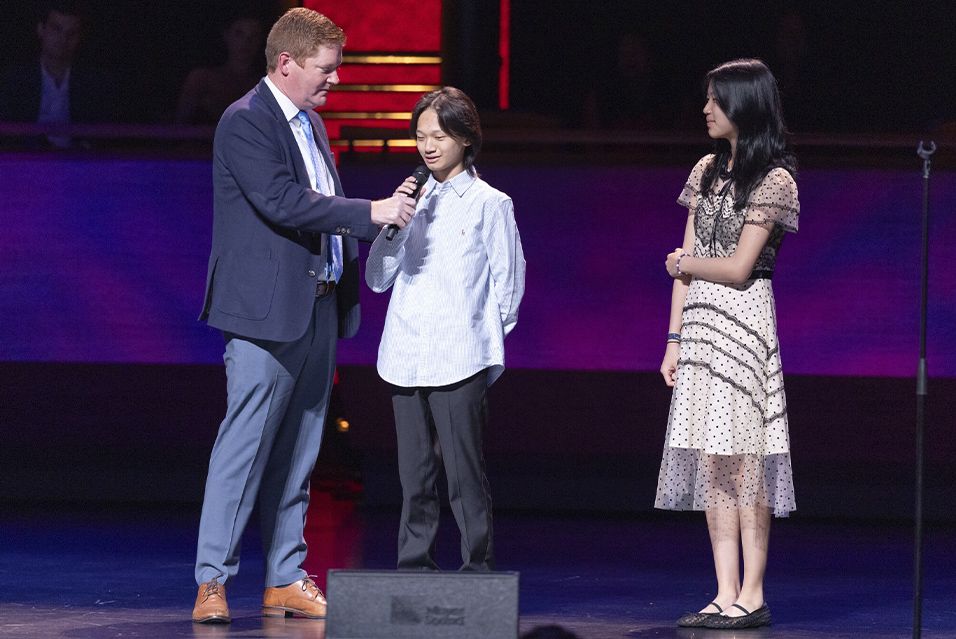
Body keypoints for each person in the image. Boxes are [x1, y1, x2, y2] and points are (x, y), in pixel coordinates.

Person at [191, 7, 415, 624]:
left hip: (316, 307)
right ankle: (213, 578)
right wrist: (369, 213)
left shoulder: (310, 124)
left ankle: (285, 575)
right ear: (285, 63)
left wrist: (374, 230)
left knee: (301, 450)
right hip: (265, 314)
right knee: (245, 447)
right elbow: (282, 201)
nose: (335, 80)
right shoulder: (245, 122)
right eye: (325, 69)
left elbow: (317, 204)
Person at [654, 58, 799, 630]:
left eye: (716, 100)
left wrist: (684, 263)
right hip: (700, 327)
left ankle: (753, 592)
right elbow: (683, 272)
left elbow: (738, 268)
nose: (706, 109)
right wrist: (672, 338)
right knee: (714, 460)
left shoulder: (775, 179)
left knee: (748, 463)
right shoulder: (706, 170)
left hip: (743, 322)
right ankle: (723, 590)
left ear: (744, 105)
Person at [365, 87, 525, 572]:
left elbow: (509, 286)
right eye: (420, 136)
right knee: (414, 475)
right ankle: (414, 567)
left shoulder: (489, 203)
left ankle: (477, 570)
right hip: (405, 353)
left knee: (463, 474)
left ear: (465, 138)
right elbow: (377, 279)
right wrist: (394, 222)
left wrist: (479, 342)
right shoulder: (408, 200)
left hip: (461, 356)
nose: (428, 146)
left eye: (439, 135)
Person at [0, 1, 118, 147]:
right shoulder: (15, 81)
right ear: (41, 29)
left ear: (79, 37)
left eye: (71, 33)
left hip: (78, 165)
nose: (63, 39)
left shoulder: (96, 84)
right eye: (56, 29)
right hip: (28, 163)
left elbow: (102, 137)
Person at [175, 13, 266, 125]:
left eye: (254, 36)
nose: (246, 42)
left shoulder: (267, 85)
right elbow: (180, 127)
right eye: (239, 34)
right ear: (226, 35)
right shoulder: (202, 79)